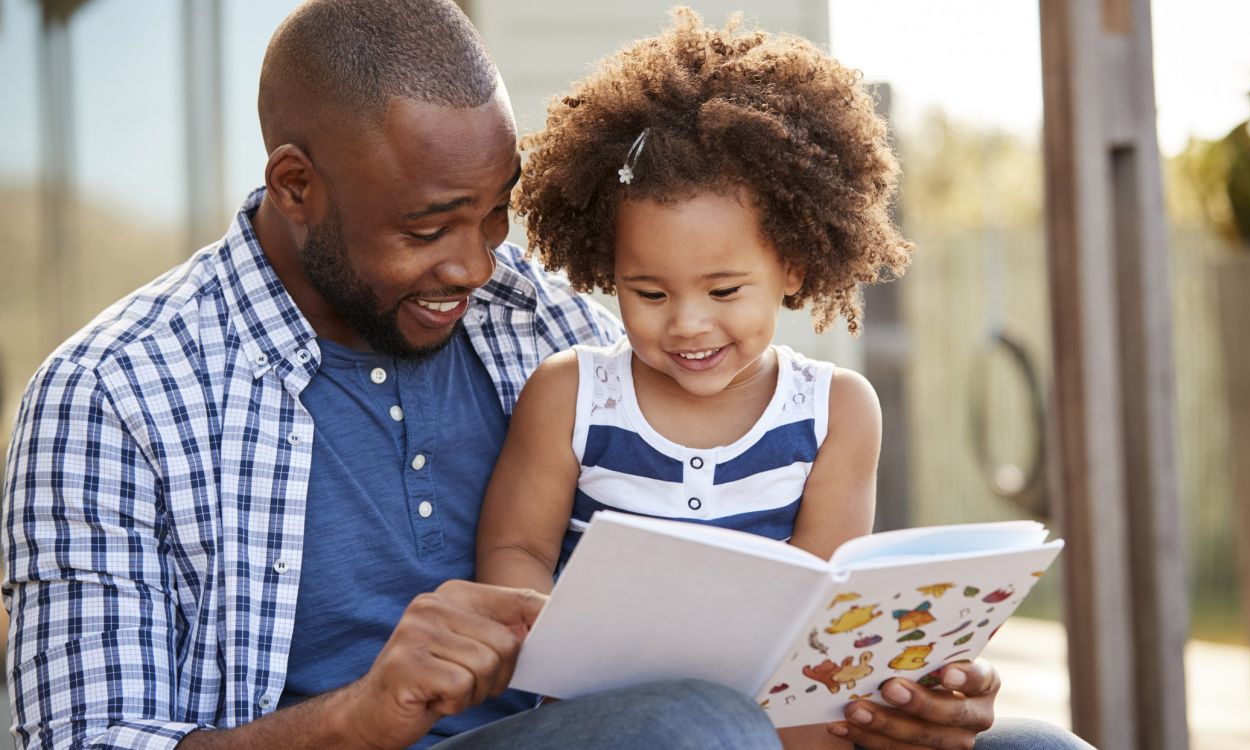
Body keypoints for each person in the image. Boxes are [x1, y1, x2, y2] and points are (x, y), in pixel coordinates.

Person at [0, 1, 1087, 750]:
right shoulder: (115, 396)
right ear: (296, 185)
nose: (476, 265)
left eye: (492, 215)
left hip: (672, 727)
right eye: (429, 227)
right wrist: (359, 713)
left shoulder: (554, 314)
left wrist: (884, 701)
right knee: (690, 730)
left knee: (1031, 741)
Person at [476, 9, 1095, 750]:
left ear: (793, 267)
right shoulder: (572, 395)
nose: (688, 325)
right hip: (619, 718)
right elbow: (514, 553)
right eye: (649, 293)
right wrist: (555, 634)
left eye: (725, 291)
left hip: (791, 718)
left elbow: (816, 614)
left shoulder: (835, 411)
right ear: (609, 274)